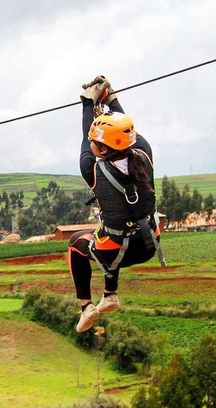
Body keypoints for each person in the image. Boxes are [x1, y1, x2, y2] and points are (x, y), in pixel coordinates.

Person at [69, 75, 162, 333]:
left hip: (114, 252)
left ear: (103, 148)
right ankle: (109, 294)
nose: (92, 143)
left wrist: (88, 104)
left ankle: (86, 306)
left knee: (78, 243)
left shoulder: (93, 170)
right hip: (147, 245)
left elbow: (86, 139)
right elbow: (127, 134)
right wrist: (110, 98)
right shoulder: (145, 154)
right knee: (114, 231)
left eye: (97, 142)